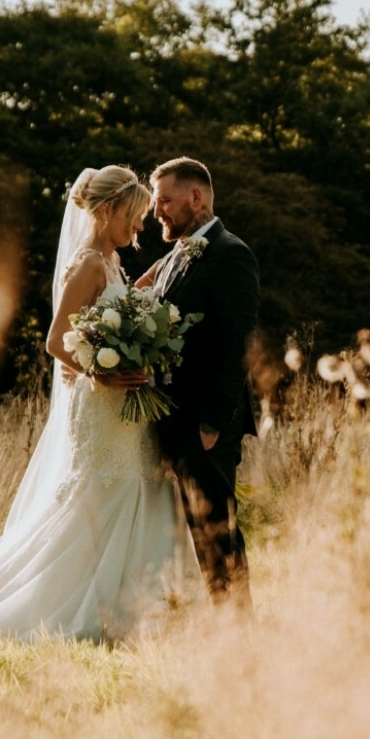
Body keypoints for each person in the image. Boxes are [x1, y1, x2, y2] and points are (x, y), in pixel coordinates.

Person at [0, 166, 204, 641]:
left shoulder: (112, 262)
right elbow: (57, 341)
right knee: (98, 497)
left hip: (122, 410)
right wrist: (106, 371)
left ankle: (141, 610)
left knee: (134, 489)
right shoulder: (87, 264)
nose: (140, 226)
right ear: (105, 210)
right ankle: (56, 606)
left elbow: (117, 307)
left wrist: (158, 281)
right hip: (101, 407)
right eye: (134, 216)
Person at [136, 157, 260, 611]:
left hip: (208, 423)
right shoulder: (174, 256)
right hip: (173, 417)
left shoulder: (231, 253)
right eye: (155, 202)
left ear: (196, 197)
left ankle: (238, 629)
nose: (157, 212)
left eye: (164, 201)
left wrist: (212, 422)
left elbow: (237, 346)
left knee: (216, 529)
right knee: (194, 527)